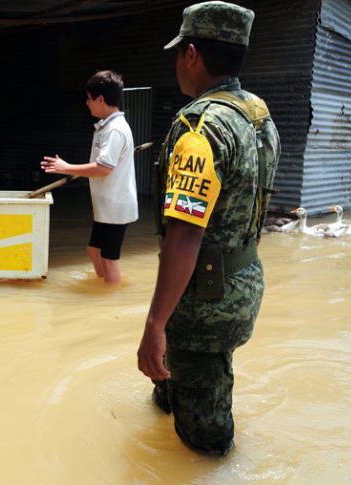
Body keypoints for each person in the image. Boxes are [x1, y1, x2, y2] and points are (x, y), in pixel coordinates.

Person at [136, 1, 281, 456]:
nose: (178, 61)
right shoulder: (255, 113)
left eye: (180, 53)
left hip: (203, 301)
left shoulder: (201, 128)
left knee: (206, 443)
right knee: (178, 389)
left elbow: (185, 234)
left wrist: (154, 324)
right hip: (243, 281)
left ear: (193, 55)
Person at [41, 70, 138, 284]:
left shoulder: (115, 130)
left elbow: (103, 168)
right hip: (107, 206)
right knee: (94, 251)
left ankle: (111, 301)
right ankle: (104, 286)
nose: (87, 103)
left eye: (89, 98)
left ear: (100, 99)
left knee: (109, 258)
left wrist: (67, 168)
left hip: (116, 206)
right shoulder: (107, 127)